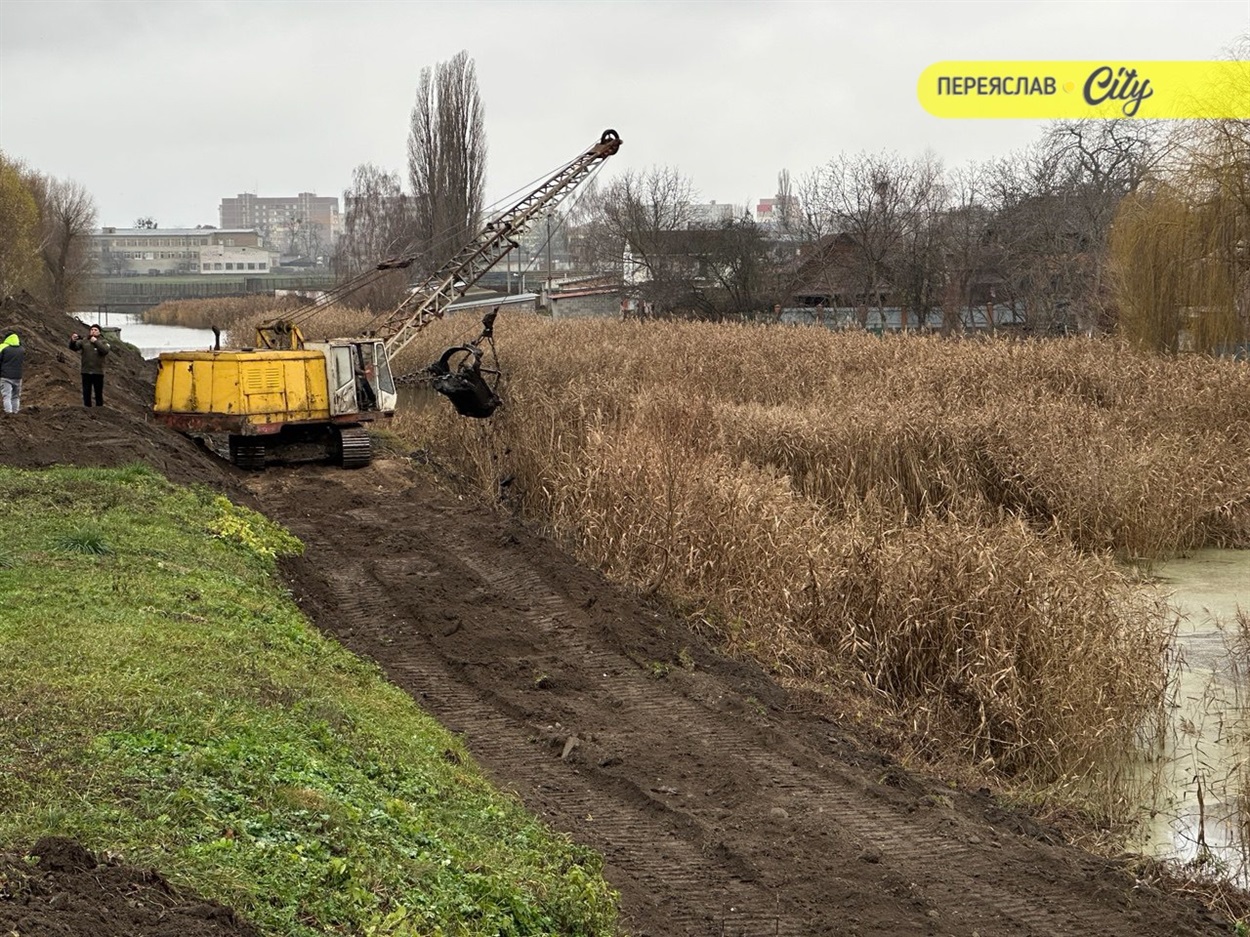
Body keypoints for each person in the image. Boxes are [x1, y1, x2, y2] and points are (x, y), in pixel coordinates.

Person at [69, 324, 110, 407]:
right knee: (86, 392)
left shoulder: (103, 342)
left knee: (98, 393)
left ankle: (99, 409)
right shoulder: (84, 341)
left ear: (99, 332)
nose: (93, 331)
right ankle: (87, 409)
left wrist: (95, 341)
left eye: (95, 330)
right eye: (92, 330)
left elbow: (105, 350)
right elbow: (73, 347)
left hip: (98, 372)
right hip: (86, 371)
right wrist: (72, 341)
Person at [0, 330, 24, 413]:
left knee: (7, 396)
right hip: (18, 376)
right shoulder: (21, 349)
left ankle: (8, 413)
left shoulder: (3, 347)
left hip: (5, 376)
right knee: (16, 396)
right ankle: (15, 413)